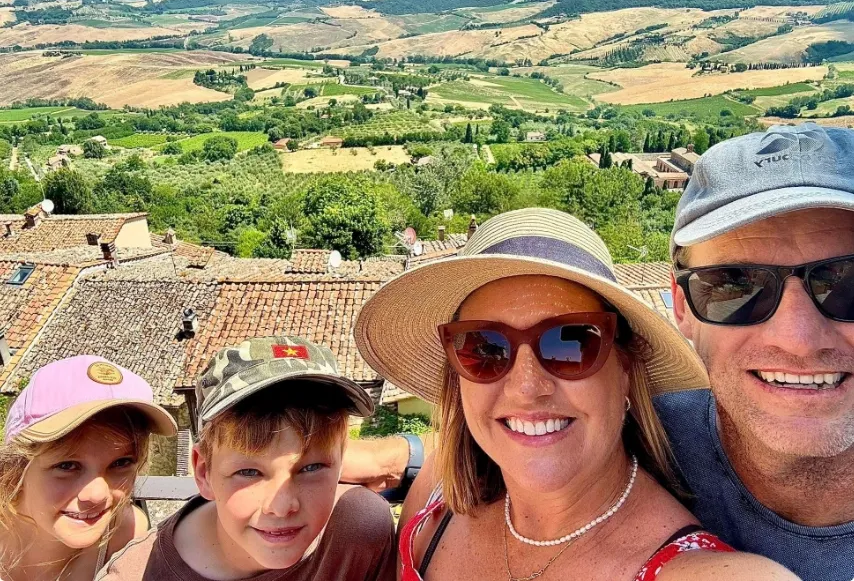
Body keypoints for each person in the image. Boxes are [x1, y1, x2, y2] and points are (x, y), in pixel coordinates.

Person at [354, 208, 796, 581]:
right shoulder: (434, 503)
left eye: (570, 342)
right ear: (457, 375)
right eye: (485, 348)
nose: (527, 386)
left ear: (625, 370)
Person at [662, 122, 854, 580]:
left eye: (847, 284)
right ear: (682, 307)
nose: (798, 339)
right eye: (735, 285)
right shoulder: (625, 455)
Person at [98, 335, 397, 581]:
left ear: (341, 462)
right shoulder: (135, 576)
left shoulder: (360, 531)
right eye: (250, 472)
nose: (281, 507)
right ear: (203, 472)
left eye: (312, 467)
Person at [0, 355, 178, 581]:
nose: (97, 495)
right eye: (67, 465)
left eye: (121, 463)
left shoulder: (127, 534)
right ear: (15, 467)